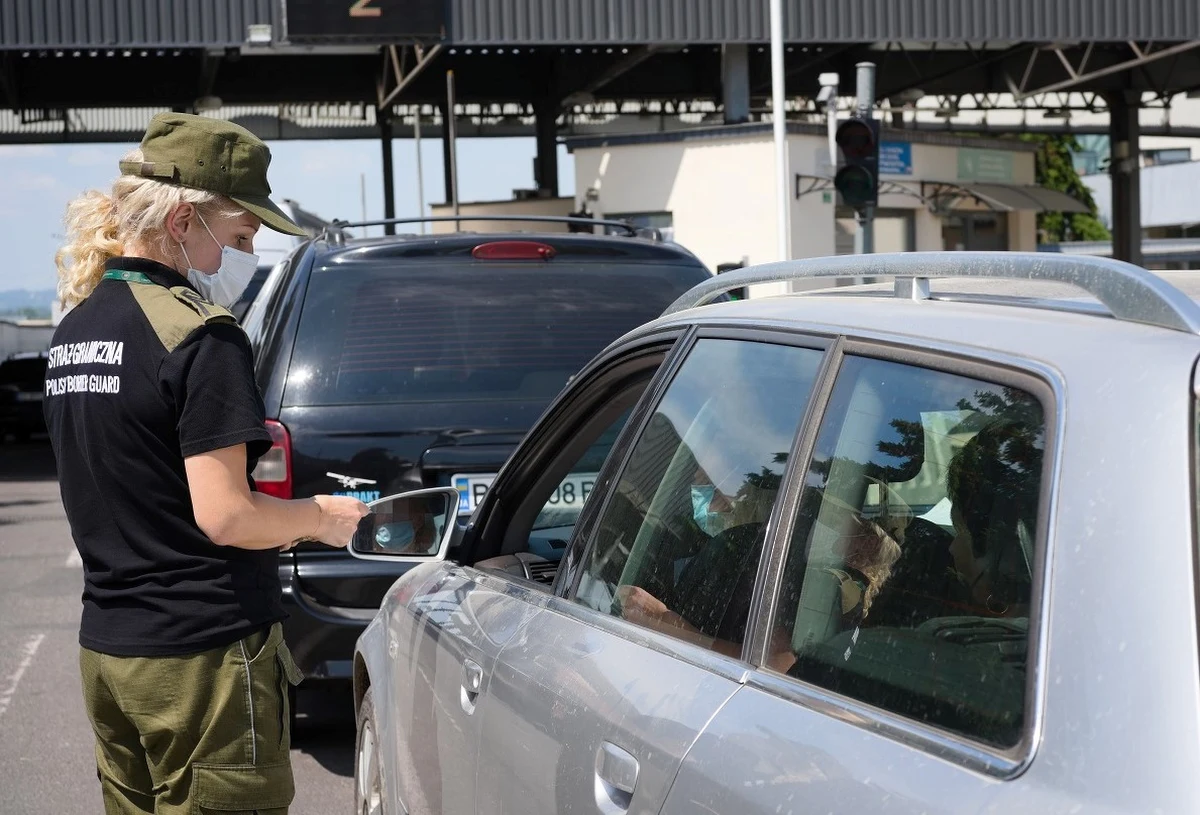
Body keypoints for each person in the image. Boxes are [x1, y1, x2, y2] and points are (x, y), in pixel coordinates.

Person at [44, 112, 370, 815]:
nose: (241, 257)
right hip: (201, 659)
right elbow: (225, 515)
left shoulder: (76, 331)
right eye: (242, 236)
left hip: (110, 652)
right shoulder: (200, 337)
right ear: (184, 220)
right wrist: (321, 518)